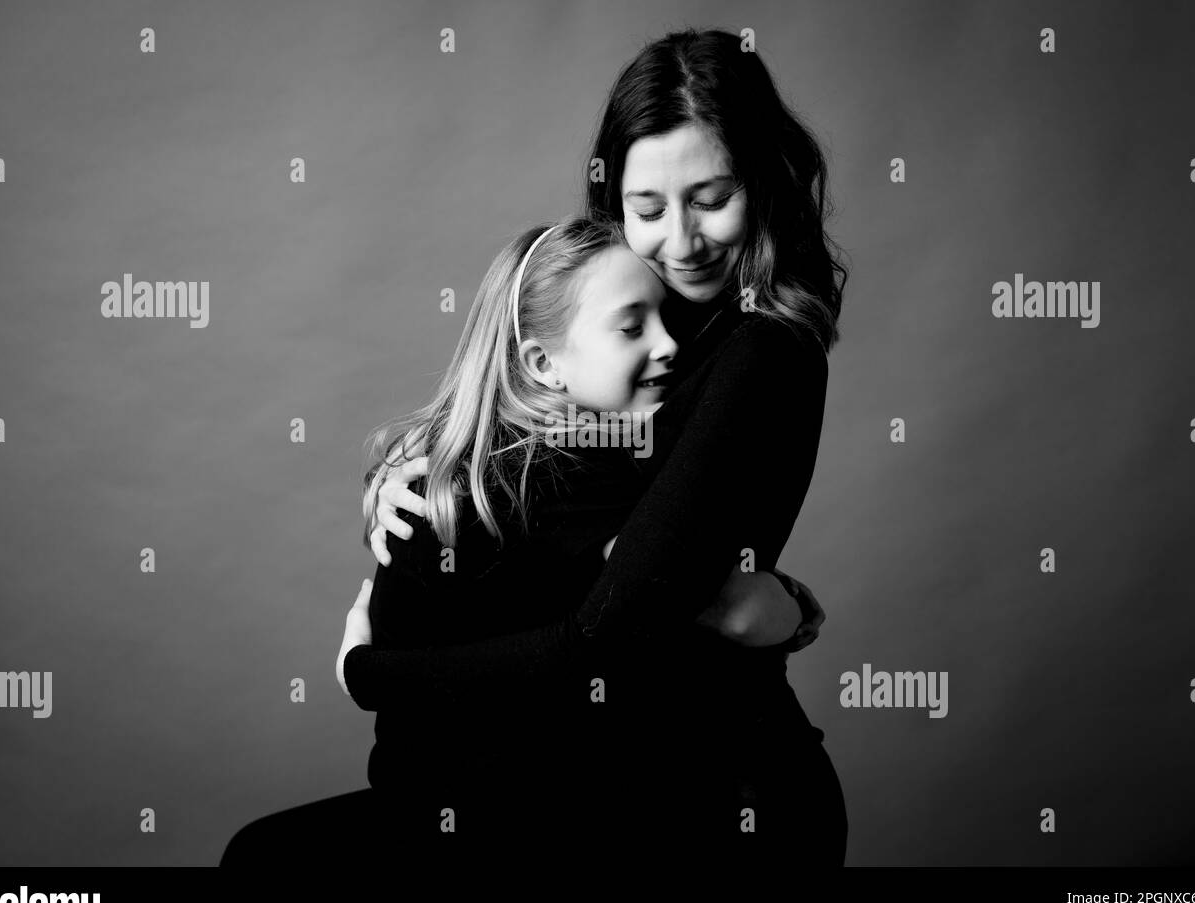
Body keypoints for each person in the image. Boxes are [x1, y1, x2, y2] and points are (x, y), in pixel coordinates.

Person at [359, 28, 849, 860]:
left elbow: (614, 624)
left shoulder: (763, 353)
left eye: (712, 197)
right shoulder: (634, 326)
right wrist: (417, 471)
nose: (681, 243)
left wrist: (363, 671)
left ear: (762, 180)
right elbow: (554, 492)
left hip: (721, 789)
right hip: (594, 777)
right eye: (647, 209)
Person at [221, 216, 821, 865]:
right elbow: (710, 614)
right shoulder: (559, 478)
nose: (670, 344)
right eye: (632, 325)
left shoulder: (460, 467)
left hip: (445, 804)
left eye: (665, 318)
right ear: (543, 363)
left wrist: (362, 666)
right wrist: (796, 609)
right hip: (510, 821)